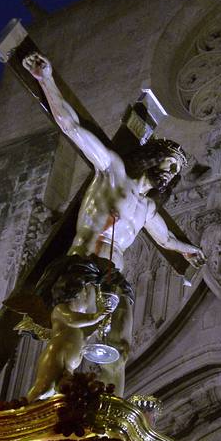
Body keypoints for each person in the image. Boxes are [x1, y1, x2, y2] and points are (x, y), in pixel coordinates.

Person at [21, 50, 205, 396]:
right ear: (152, 158)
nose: (171, 171)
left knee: (119, 346)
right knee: (70, 334)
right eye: (168, 161)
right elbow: (71, 127)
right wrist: (46, 80)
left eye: (177, 170)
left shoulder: (148, 209)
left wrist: (190, 250)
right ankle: (42, 395)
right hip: (83, 263)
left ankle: (110, 410)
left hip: (115, 278)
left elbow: (166, 242)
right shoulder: (113, 172)